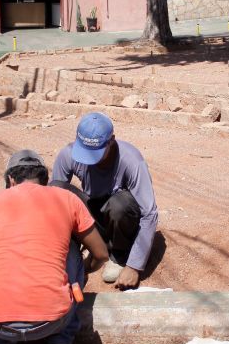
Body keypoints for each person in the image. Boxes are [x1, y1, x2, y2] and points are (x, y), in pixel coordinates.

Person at [0, 150, 108, 344]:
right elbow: (101, 253)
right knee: (72, 250)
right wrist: (84, 270)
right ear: (45, 179)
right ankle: (60, 342)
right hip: (53, 321)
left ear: (10, 180)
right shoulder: (66, 199)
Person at [51, 112, 159, 290]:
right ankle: (75, 248)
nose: (89, 160)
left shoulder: (131, 160)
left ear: (111, 141)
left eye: (95, 153)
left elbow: (149, 214)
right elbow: (52, 204)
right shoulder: (68, 154)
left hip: (120, 222)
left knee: (120, 204)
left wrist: (134, 266)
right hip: (93, 217)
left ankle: (118, 255)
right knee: (57, 189)